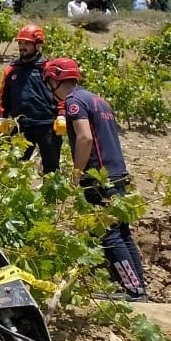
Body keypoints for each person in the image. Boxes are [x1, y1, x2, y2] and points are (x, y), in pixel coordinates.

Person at [43, 57, 147, 301]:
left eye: (49, 82)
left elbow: (85, 138)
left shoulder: (73, 102)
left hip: (98, 178)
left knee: (108, 234)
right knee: (122, 233)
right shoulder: (98, 100)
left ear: (55, 80)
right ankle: (138, 288)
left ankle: (132, 290)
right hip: (117, 174)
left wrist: (76, 175)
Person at [0, 24, 61, 173]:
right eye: (20, 43)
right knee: (14, 167)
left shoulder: (49, 68)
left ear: (38, 45)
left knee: (51, 169)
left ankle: (49, 196)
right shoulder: (11, 69)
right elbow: (3, 97)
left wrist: (62, 115)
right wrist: (2, 117)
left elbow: (62, 95)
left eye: (26, 43)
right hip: (21, 127)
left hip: (47, 126)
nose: (22, 47)